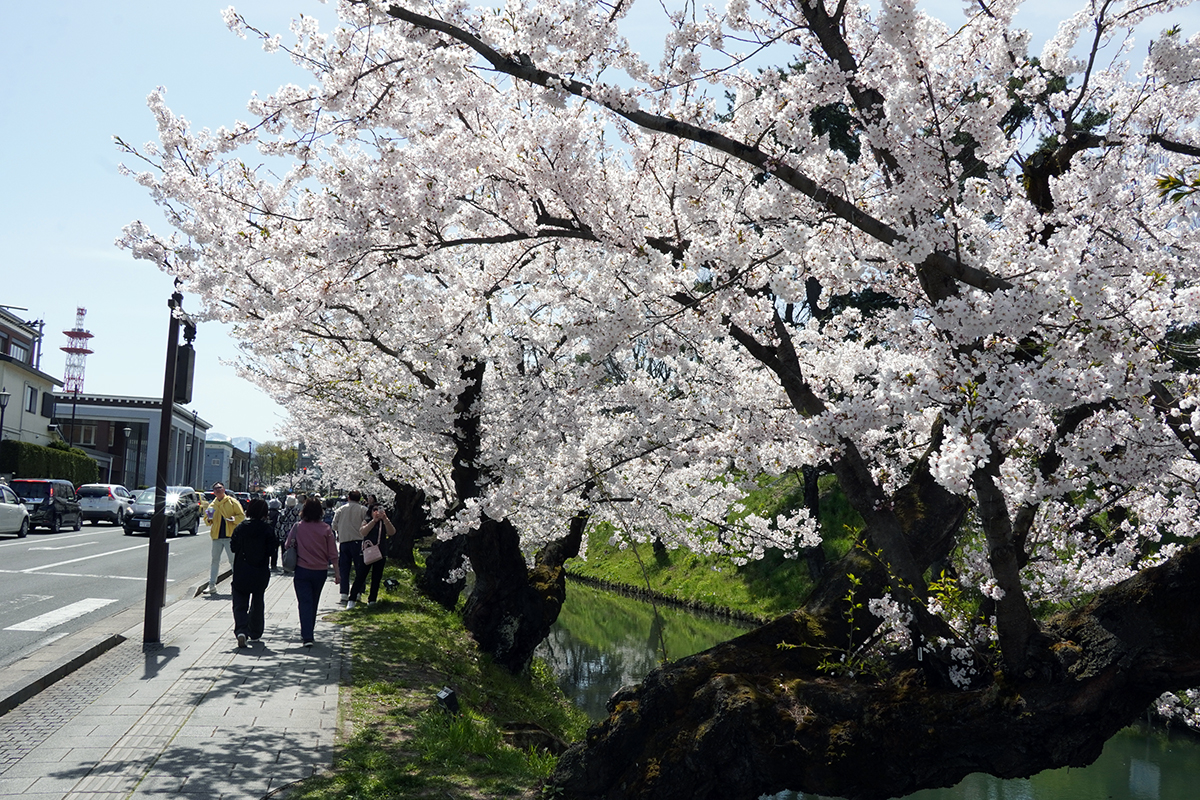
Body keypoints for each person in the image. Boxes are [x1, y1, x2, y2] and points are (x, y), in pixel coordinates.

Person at [283, 497, 339, 647]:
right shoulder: (326, 529)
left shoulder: (298, 527)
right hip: (320, 571)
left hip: (302, 570)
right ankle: (309, 631)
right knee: (314, 601)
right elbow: (333, 552)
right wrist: (338, 573)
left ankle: (307, 634)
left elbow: (288, 544)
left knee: (304, 602)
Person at [229, 498, 274, 647]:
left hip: (242, 570)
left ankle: (241, 630)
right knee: (257, 601)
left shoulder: (241, 527)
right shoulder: (268, 529)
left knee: (240, 602)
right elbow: (271, 550)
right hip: (260, 571)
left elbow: (233, 547)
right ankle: (255, 631)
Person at [349, 502, 395, 608]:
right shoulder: (367, 520)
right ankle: (352, 599)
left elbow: (392, 532)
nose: (377, 512)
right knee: (360, 576)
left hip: (381, 553)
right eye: (374, 510)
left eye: (379, 510)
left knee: (376, 577)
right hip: (367, 552)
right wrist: (374, 521)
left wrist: (385, 519)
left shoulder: (384, 522)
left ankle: (372, 600)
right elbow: (363, 532)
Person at [331, 490, 369, 606]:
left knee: (344, 568)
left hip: (344, 541)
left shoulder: (341, 509)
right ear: (360, 499)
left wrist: (342, 529)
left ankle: (343, 593)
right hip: (358, 541)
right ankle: (357, 592)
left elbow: (334, 525)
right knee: (359, 568)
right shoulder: (363, 510)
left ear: (348, 498)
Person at [205, 483, 245, 594]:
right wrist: (208, 520)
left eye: (220, 488)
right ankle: (211, 585)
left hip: (230, 536)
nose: (218, 490)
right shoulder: (212, 505)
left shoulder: (232, 502)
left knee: (233, 561)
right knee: (214, 561)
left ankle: (237, 585)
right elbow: (207, 519)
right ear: (213, 491)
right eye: (215, 489)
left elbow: (241, 516)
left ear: (224, 489)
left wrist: (234, 519)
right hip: (217, 537)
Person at [274, 494, 302, 572]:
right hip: (294, 533)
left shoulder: (283, 511)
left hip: (283, 532)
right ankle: (294, 565)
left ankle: (285, 566)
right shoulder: (298, 512)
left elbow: (279, 523)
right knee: (294, 550)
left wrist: (277, 532)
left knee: (284, 550)